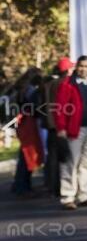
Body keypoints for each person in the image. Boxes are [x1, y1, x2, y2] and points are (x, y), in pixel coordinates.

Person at [54, 56, 87, 209]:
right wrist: (61, 128)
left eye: (86, 66)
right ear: (77, 67)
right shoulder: (68, 84)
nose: (83, 69)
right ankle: (68, 196)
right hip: (73, 130)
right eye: (81, 66)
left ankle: (83, 195)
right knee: (71, 163)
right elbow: (60, 108)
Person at [40, 57, 72, 196]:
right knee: (65, 156)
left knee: (53, 157)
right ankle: (65, 187)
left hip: (50, 125)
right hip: (63, 125)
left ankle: (53, 186)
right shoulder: (66, 83)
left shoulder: (48, 85)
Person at [10, 69, 44, 198]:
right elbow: (34, 107)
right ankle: (23, 187)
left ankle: (20, 184)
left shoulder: (20, 88)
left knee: (24, 154)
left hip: (22, 123)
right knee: (27, 155)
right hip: (28, 122)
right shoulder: (30, 90)